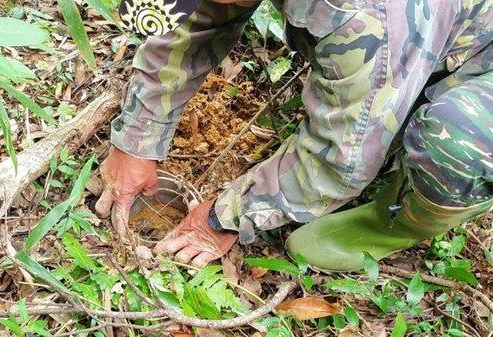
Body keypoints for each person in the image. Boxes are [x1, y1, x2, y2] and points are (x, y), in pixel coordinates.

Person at [95, 0, 492, 271]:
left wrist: (224, 216)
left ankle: (402, 219)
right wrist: (136, 140)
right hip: (429, 31)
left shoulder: (365, 15)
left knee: (452, 140)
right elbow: (194, 22)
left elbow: (341, 160)